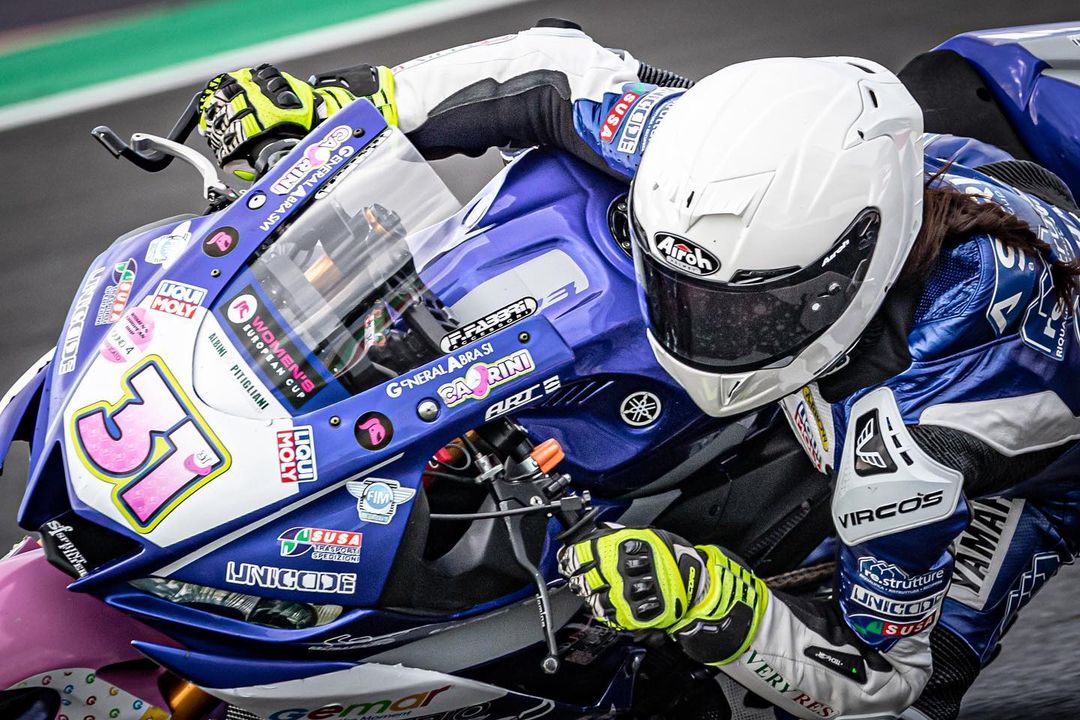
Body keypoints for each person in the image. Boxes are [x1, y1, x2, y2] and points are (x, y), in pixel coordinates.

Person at [196, 21, 1080, 720]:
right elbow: (555, 70)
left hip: (1029, 472)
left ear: (849, 268)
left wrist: (715, 602)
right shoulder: (700, 158)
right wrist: (346, 100)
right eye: (683, 290)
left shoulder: (911, 445)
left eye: (745, 309)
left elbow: (881, 677)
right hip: (968, 184)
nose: (700, 329)